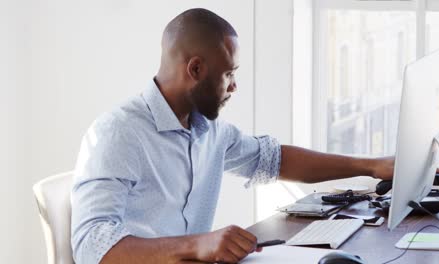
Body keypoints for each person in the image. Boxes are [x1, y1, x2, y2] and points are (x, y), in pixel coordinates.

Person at [71, 8, 394, 264]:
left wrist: (372, 166)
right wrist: (198, 244)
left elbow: (274, 159)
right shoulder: (118, 132)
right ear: (195, 69)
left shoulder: (208, 129)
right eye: (229, 74)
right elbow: (91, 246)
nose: (234, 87)